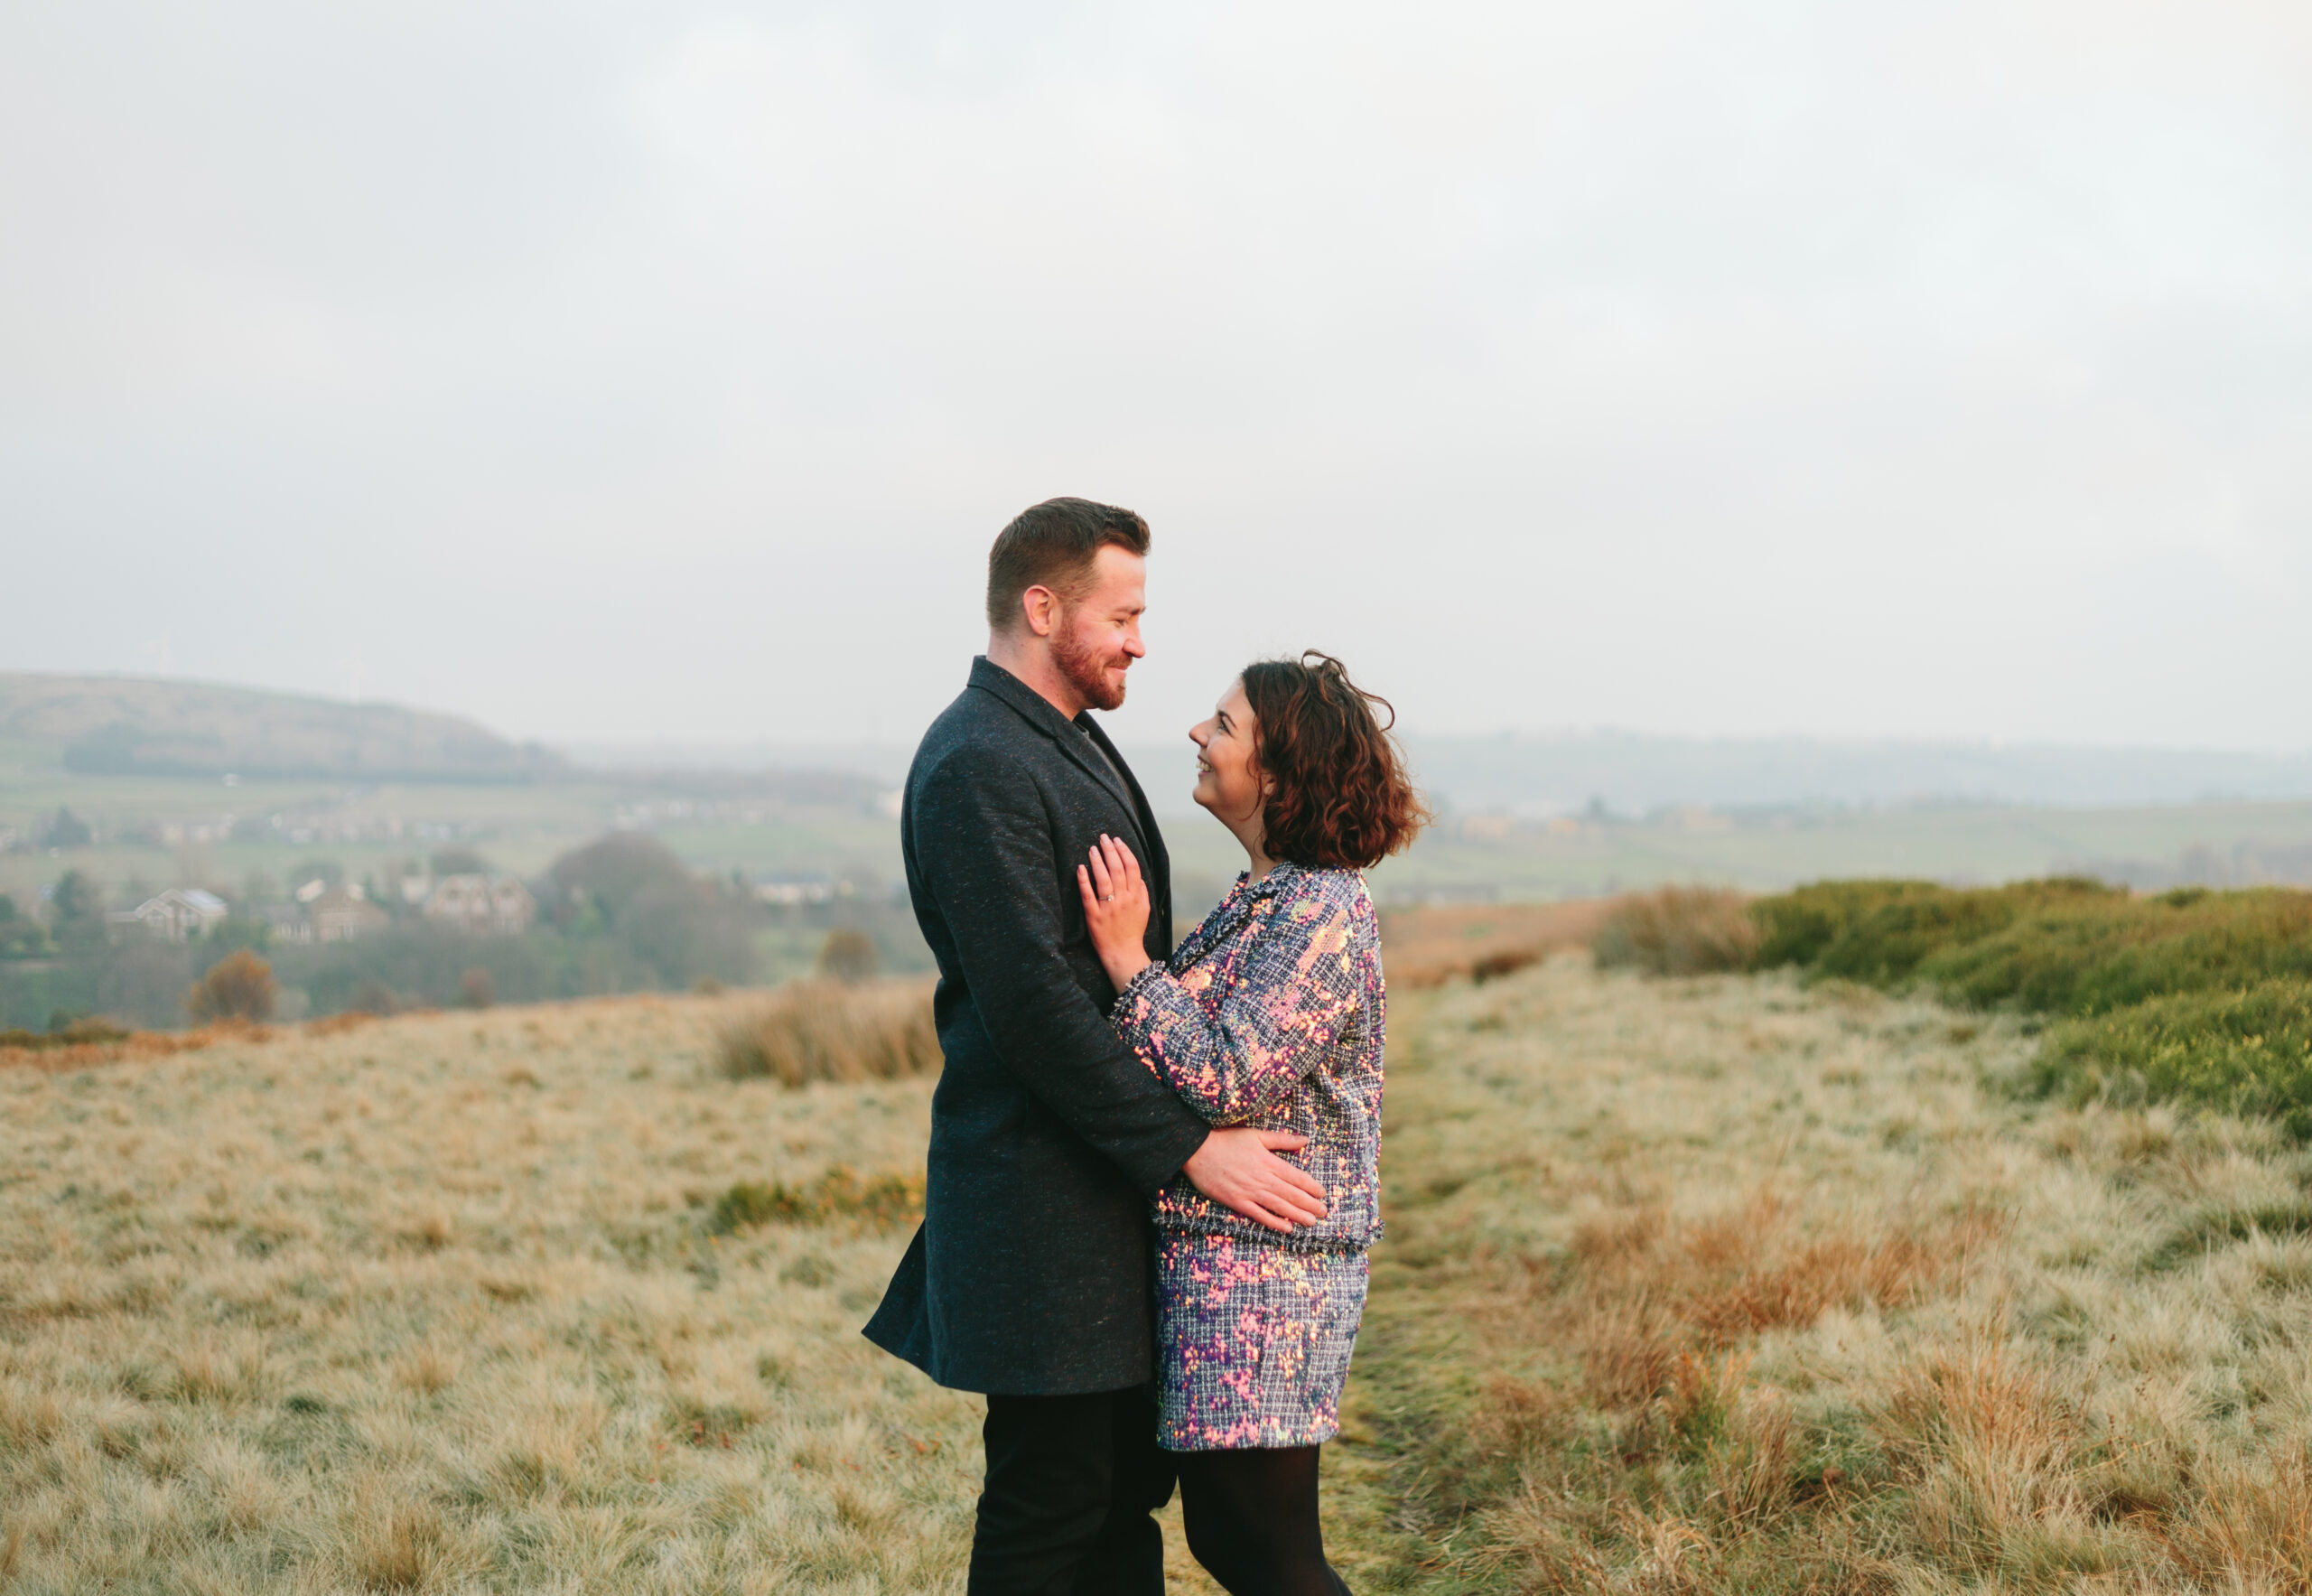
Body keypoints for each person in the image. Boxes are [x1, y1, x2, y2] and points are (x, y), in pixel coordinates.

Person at [862, 498, 1334, 1595]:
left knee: (1119, 1507)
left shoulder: (1059, 740)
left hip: (1102, 1210)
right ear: (1042, 606)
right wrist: (1190, 1149)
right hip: (1041, 1218)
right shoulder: (978, 761)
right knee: (1051, 1510)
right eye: (1121, 614)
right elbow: (1031, 1008)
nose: (1137, 639)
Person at [1075, 652, 1425, 1596]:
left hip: (1271, 1277)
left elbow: (1231, 1074)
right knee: (1235, 1545)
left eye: (1222, 726)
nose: (1197, 733)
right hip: (1230, 1264)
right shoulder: (1269, 897)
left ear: (1276, 773)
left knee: (1264, 1553)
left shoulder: (1321, 913)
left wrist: (1125, 961)